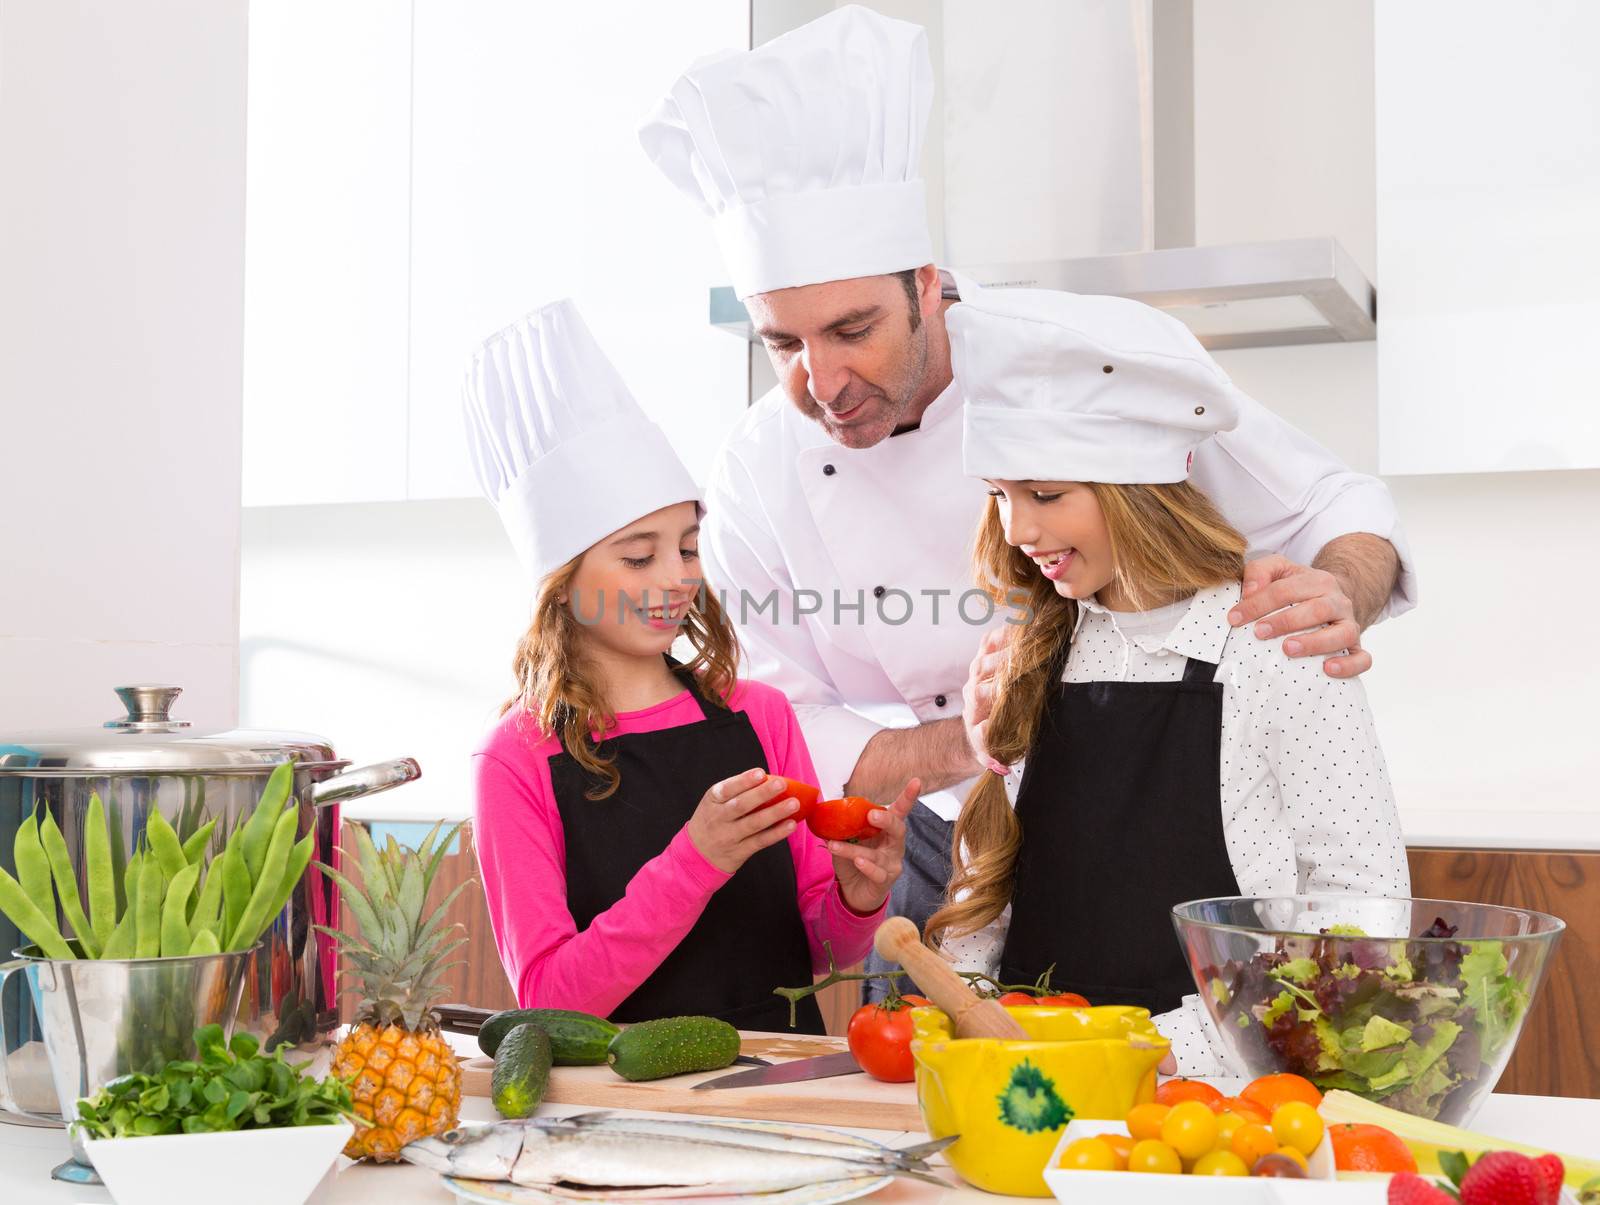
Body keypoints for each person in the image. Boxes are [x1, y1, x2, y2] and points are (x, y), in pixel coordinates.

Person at [639, 5, 1415, 996]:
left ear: (928, 286)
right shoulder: (757, 462)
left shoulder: (1083, 362)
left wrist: (1335, 590)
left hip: (1144, 829)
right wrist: (979, 736)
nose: (822, 381)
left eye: (852, 328)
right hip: (922, 835)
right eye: (783, 344)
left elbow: (1334, 507)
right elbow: (765, 705)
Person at [927, 283, 1410, 1072]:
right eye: (1000, 496)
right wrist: (968, 1008)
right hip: (1031, 1089)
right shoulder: (1033, 649)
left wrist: (1154, 1050)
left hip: (1221, 1099)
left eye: (1046, 493)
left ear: (1138, 493)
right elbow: (990, 902)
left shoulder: (1275, 643)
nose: (1020, 530)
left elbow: (1359, 918)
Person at [464, 299, 916, 1034]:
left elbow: (822, 950)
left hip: (778, 1090)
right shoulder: (515, 756)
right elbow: (551, 1003)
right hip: (617, 1107)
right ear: (562, 579)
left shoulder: (758, 714)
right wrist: (696, 858)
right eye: (639, 555)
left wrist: (859, 895)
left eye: (685, 546)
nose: (676, 577)